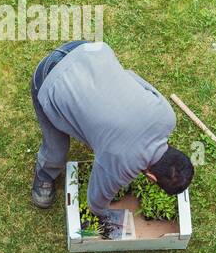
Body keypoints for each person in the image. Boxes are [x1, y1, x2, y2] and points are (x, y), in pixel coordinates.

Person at [29, 40, 194, 236]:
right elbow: (96, 202)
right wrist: (103, 215)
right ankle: (45, 176)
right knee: (56, 149)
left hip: (85, 50)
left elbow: (131, 76)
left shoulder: (168, 116)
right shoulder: (120, 164)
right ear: (151, 177)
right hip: (49, 78)